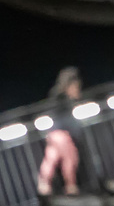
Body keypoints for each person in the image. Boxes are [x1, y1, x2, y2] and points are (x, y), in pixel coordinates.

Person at [36, 67, 85, 196]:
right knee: (70, 158)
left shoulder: (55, 96)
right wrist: (77, 133)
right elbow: (68, 120)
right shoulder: (64, 100)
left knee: (51, 158)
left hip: (53, 134)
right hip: (62, 135)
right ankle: (71, 186)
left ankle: (43, 185)